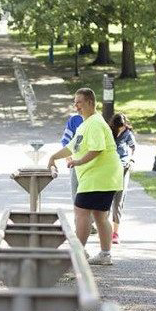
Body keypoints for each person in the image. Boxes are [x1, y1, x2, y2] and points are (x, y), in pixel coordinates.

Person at [47, 88, 122, 265]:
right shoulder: (84, 124)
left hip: (99, 176)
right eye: (75, 102)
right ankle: (105, 255)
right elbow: (72, 147)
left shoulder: (95, 123)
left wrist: (78, 162)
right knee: (100, 216)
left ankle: (78, 253)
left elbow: (98, 148)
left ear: (90, 102)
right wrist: (53, 157)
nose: (76, 106)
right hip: (101, 177)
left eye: (79, 102)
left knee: (81, 212)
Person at [108, 113, 137, 244]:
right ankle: (105, 230)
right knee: (106, 199)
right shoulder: (108, 133)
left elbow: (133, 147)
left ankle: (115, 232)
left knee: (118, 201)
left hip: (123, 168)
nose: (122, 128)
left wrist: (131, 160)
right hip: (109, 169)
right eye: (120, 126)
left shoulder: (128, 133)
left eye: (124, 126)